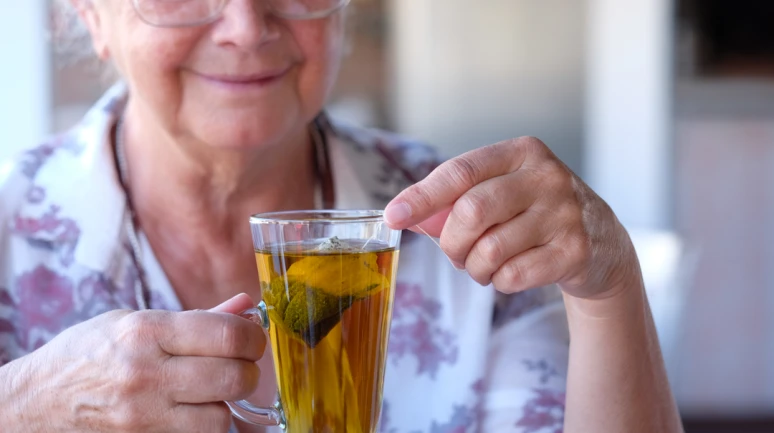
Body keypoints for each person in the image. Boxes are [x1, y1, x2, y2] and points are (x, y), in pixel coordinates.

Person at [0, 0, 683, 432]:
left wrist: (607, 287)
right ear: (89, 14)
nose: (245, 25)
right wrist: (24, 403)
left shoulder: (470, 227)